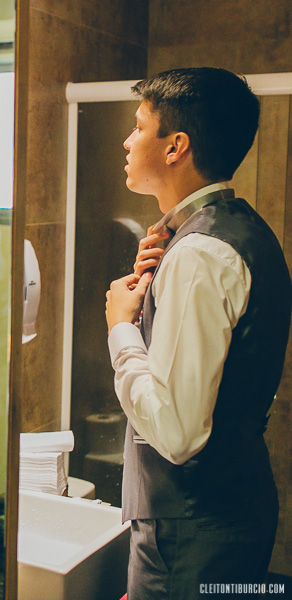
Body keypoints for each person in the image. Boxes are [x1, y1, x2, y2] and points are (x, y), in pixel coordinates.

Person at [105, 68, 291, 598]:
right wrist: (156, 287)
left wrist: (121, 328)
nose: (127, 141)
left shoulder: (200, 253)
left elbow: (177, 431)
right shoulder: (236, 230)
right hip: (226, 516)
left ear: (175, 147)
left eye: (139, 126)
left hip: (192, 534)